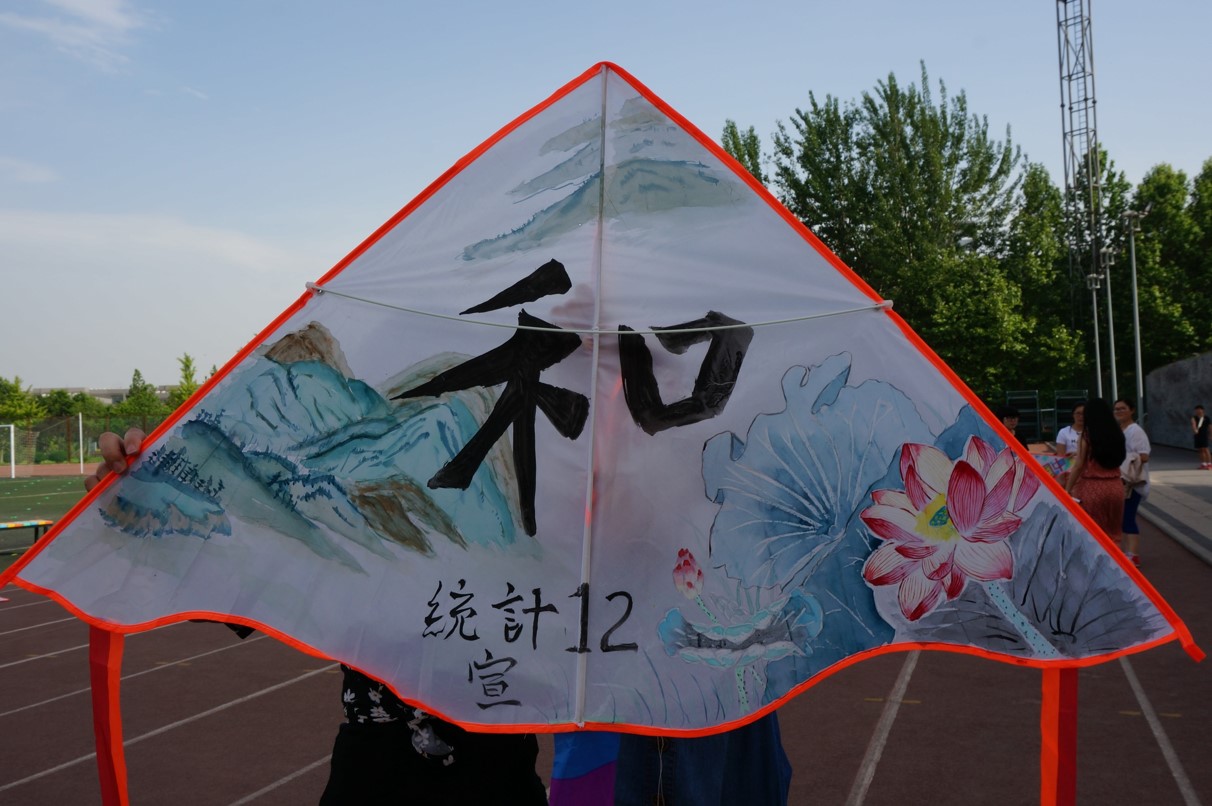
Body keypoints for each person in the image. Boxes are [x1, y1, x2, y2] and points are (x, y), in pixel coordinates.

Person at [87, 429, 549, 805]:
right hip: (374, 770)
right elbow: (217, 584)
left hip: (500, 769)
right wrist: (144, 517)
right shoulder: (347, 479)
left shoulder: (545, 483)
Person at [1064, 399, 1126, 547]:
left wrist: (1067, 489)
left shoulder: (1087, 435)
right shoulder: (1118, 434)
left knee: (1093, 535)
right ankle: (1115, 560)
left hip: (1091, 487)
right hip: (1116, 487)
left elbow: (1079, 465)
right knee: (1114, 533)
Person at [1114, 398, 1151, 566]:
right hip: (1123, 480)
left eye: (1123, 408)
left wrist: (1124, 460)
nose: (1119, 411)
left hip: (1133, 481)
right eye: (1116, 409)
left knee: (1128, 516)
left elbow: (1144, 456)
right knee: (1123, 517)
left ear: (1132, 410)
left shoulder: (1136, 431)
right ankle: (1128, 552)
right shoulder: (1120, 430)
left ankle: (1134, 554)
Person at [1192, 404, 1211, 469]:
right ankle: (1203, 464)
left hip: (1204, 435)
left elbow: (1210, 427)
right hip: (1197, 436)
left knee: (1205, 449)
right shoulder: (1194, 417)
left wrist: (1210, 435)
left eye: (1199, 410)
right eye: (1196, 410)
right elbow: (1193, 424)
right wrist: (1195, 429)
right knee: (1200, 450)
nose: (1197, 411)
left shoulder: (1207, 418)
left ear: (1202, 410)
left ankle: (1209, 464)